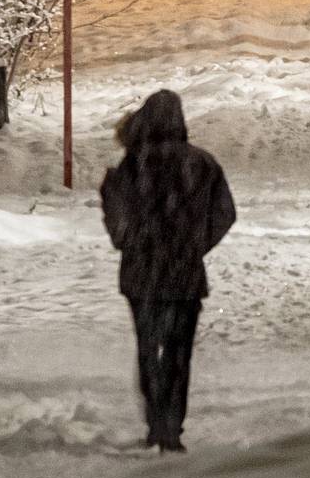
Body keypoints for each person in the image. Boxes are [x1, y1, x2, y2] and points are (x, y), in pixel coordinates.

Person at [100, 89, 236, 453]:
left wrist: (132, 242)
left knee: (149, 347)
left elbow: (117, 216)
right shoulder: (202, 164)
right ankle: (172, 426)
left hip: (141, 274)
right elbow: (225, 214)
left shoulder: (134, 165)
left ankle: (155, 422)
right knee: (179, 351)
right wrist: (194, 245)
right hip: (184, 275)